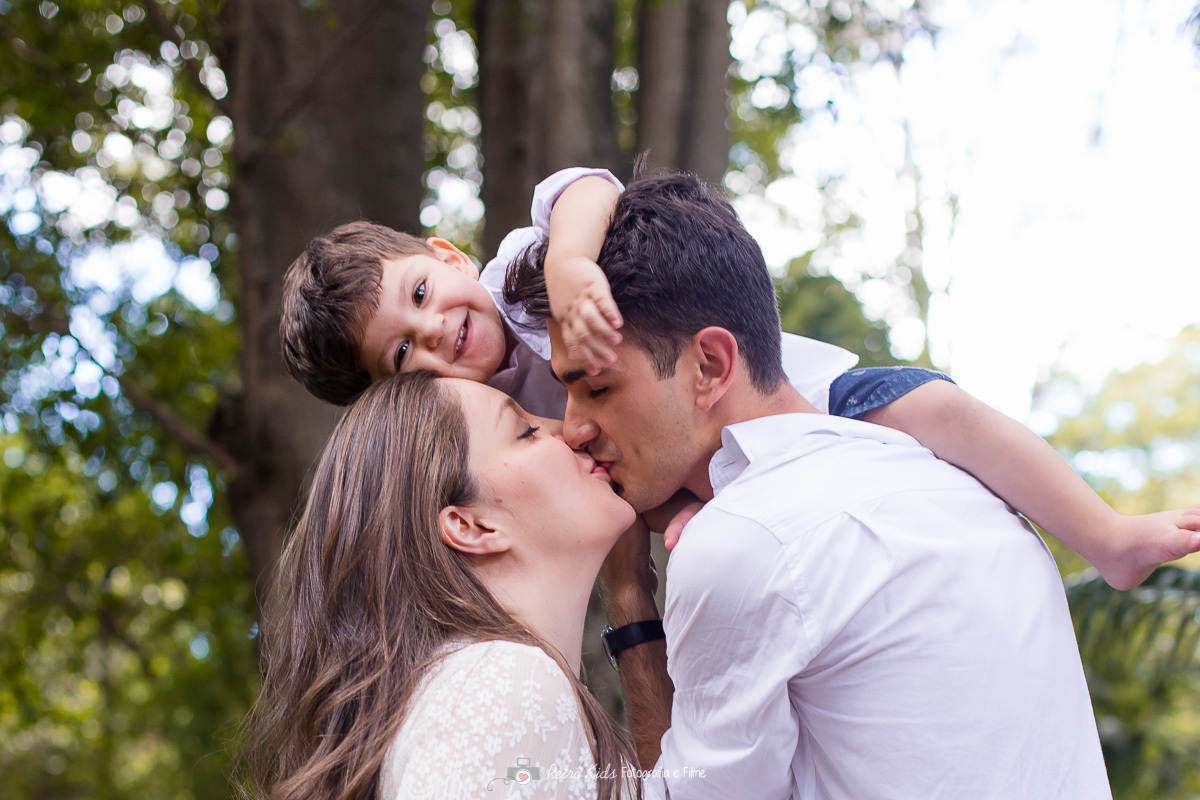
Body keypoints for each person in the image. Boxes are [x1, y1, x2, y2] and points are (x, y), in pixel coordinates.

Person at [505, 167, 1155, 798]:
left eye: (598, 388)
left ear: (709, 364)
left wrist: (628, 598)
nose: (574, 429)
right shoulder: (957, 477)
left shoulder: (744, 542)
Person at [279, 168, 1200, 590]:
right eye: (403, 353)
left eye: (422, 293)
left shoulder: (524, 276)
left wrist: (571, 267)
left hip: (791, 397)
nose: (438, 332)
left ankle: (1104, 534)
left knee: (937, 406)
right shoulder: (487, 423)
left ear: (443, 254)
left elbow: (588, 188)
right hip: (691, 482)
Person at [240, 370, 643, 800]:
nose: (568, 430)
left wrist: (631, 594)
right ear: (471, 526)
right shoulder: (499, 687)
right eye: (526, 431)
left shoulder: (462, 691)